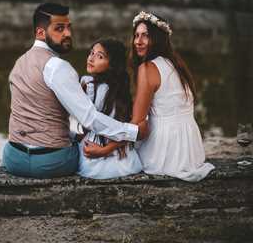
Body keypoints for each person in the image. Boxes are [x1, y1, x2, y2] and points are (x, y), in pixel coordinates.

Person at [2, 3, 147, 179]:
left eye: (68, 27)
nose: (68, 34)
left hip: (13, 158)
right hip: (50, 162)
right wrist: (133, 132)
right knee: (90, 152)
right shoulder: (58, 67)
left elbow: (37, 119)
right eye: (59, 29)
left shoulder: (19, 63)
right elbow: (90, 118)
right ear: (40, 33)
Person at [84, 11, 214, 182]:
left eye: (145, 36)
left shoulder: (147, 68)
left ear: (158, 38)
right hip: (191, 149)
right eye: (136, 35)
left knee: (126, 156)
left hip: (166, 151)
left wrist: (105, 150)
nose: (138, 41)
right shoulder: (175, 63)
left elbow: (135, 126)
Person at [76, 38, 143, 179]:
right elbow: (127, 129)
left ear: (112, 64)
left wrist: (103, 150)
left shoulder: (92, 86)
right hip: (124, 160)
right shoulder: (120, 89)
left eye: (100, 56)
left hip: (96, 160)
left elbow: (89, 122)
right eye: (91, 53)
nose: (91, 58)